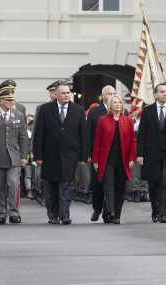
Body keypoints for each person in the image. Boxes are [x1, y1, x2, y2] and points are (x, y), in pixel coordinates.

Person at [32, 82, 89, 225]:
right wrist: (37, 155)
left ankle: (65, 215)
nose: (67, 95)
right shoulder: (45, 109)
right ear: (55, 94)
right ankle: (53, 214)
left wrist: (83, 156)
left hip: (70, 154)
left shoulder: (78, 110)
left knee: (66, 185)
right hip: (49, 155)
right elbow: (38, 134)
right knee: (51, 186)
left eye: (68, 92)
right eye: (63, 93)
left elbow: (84, 135)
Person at [136, 83, 166, 223]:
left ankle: (163, 213)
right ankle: (155, 209)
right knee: (153, 185)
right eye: (162, 92)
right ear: (155, 94)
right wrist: (140, 154)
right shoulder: (148, 111)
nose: (165, 94)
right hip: (152, 153)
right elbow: (142, 134)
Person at [0, 89, 29, 224]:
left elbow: (23, 138)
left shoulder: (18, 116)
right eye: (8, 100)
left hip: (14, 156)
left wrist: (24, 155)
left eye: (12, 99)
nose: (11, 102)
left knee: (14, 184)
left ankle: (14, 212)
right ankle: (0, 213)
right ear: (1, 101)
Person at [92, 95, 136, 224]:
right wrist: (95, 160)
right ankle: (110, 212)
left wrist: (132, 157)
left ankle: (116, 214)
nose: (117, 104)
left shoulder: (127, 120)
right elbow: (97, 140)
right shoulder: (103, 120)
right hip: (106, 159)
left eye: (119, 103)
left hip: (122, 159)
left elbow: (133, 140)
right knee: (108, 185)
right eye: (115, 103)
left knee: (120, 187)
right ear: (110, 106)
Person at [86, 85, 117, 221]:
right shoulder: (94, 112)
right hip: (98, 154)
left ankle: (107, 211)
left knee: (111, 184)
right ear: (102, 96)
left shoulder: (120, 110)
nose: (112, 96)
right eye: (109, 93)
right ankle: (97, 208)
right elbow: (88, 134)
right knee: (98, 185)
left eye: (114, 93)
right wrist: (87, 153)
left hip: (114, 154)